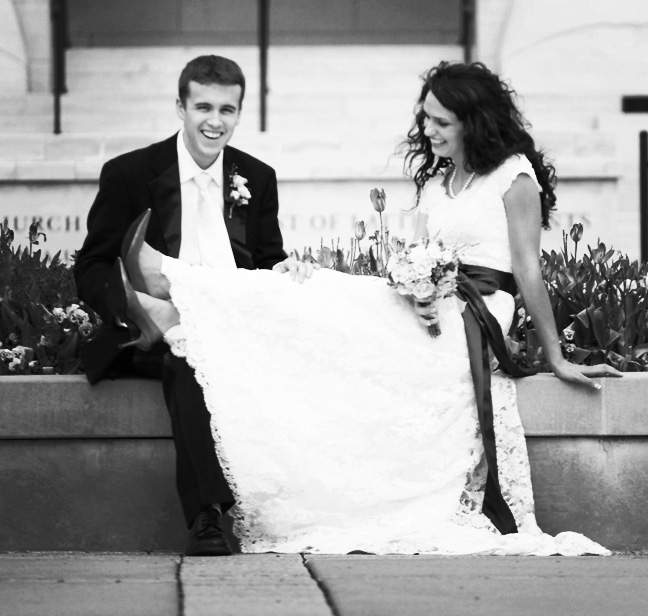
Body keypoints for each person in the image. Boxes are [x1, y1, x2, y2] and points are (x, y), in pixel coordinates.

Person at [103, 61, 619, 555]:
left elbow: (527, 270)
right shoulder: (437, 183)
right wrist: (417, 289)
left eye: (441, 122)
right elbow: (420, 255)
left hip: (479, 314)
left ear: (472, 122)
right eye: (426, 118)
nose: (429, 130)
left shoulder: (514, 176)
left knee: (334, 296)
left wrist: (555, 356)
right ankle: (174, 294)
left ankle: (168, 283)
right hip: (432, 308)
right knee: (317, 289)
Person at [74, 55, 312, 557]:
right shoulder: (129, 174)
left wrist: (285, 271)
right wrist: (144, 310)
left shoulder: (257, 176)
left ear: (239, 113)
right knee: (189, 355)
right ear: (180, 107)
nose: (214, 121)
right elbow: (92, 267)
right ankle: (207, 515)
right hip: (152, 332)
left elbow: (266, 260)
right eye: (203, 107)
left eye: (227, 110)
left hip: (235, 327)